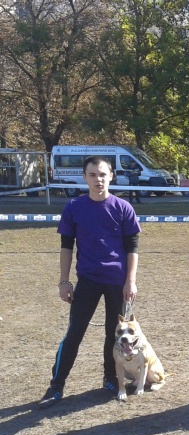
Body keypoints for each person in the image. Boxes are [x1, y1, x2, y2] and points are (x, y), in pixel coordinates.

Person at [39, 156, 141, 408]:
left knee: (113, 334)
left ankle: (110, 378)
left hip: (117, 282)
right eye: (93, 175)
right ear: (84, 177)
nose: (98, 180)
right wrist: (64, 281)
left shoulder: (123, 208)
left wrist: (130, 281)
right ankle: (56, 386)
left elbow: (133, 248)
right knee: (74, 334)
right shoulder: (74, 207)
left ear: (111, 176)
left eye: (103, 174)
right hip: (87, 280)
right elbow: (66, 246)